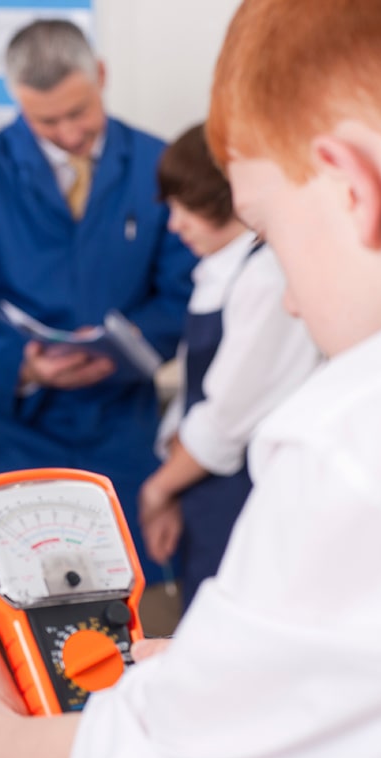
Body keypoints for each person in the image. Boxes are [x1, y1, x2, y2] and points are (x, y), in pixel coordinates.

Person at [0, 0, 381, 758]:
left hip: (117, 429)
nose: (285, 301)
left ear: (354, 185)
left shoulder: (371, 437)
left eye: (265, 232)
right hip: (17, 429)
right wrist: (230, 681)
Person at [0, 19, 196, 579]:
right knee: (10, 599)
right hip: (10, 431)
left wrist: (128, 346)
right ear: (17, 99)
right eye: (46, 120)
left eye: (80, 112)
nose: (69, 133)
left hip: (121, 427)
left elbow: (183, 294)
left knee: (121, 605)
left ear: (101, 75)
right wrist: (24, 365)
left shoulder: (156, 166)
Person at [137, 123, 321, 610]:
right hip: (202, 486)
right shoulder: (218, 270)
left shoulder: (267, 275)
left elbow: (226, 417)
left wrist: (158, 490)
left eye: (183, 207)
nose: (174, 226)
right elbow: (195, 393)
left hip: (245, 494)